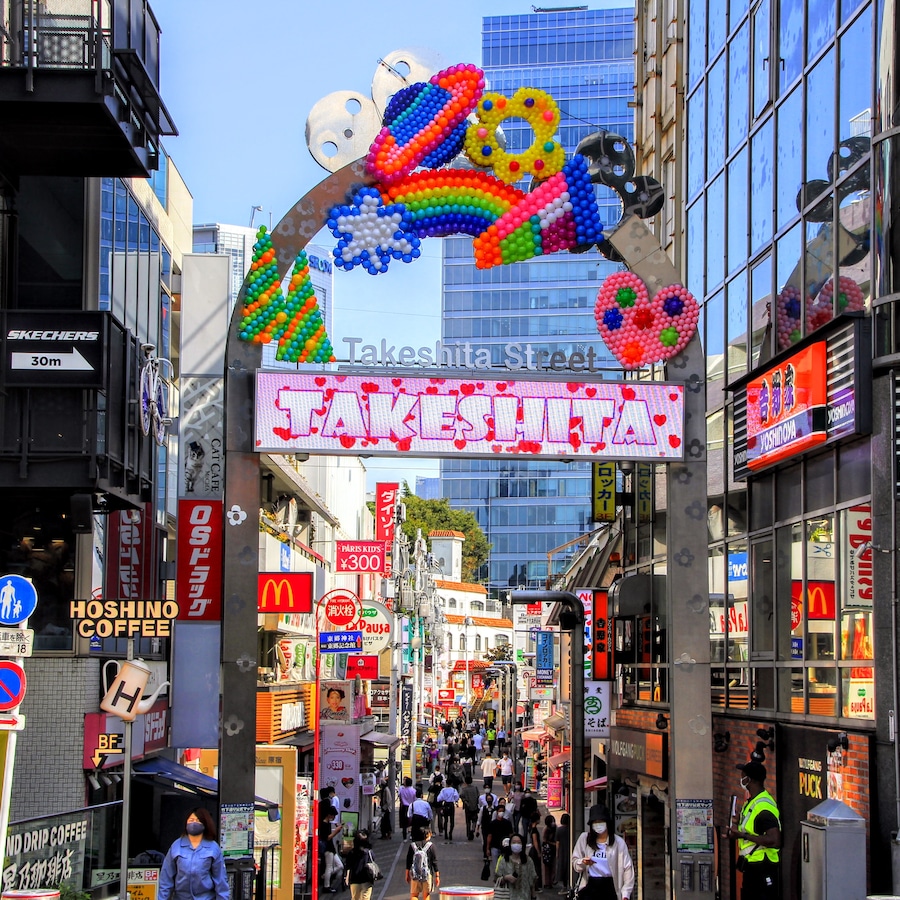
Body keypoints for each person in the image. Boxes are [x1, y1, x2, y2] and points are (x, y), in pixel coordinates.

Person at [724, 761, 782, 899]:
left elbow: (775, 840)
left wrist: (743, 835)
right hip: (751, 866)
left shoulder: (763, 807)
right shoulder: (752, 802)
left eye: (743, 775)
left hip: (763, 867)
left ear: (749, 779)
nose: (741, 778)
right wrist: (736, 832)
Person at [158, 808, 229, 900]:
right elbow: (166, 878)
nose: (194, 823)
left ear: (205, 823)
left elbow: (221, 881)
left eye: (198, 821)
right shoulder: (176, 846)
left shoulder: (213, 848)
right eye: (191, 820)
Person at [572, 805, 634, 900]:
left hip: (610, 887)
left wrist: (626, 894)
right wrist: (583, 862)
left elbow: (627, 868)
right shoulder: (584, 839)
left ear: (607, 823)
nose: (598, 825)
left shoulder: (618, 842)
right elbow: (575, 863)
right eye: (595, 822)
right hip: (590, 886)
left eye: (601, 821)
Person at [496, 832, 538, 900]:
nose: (516, 844)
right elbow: (497, 879)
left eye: (519, 842)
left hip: (525, 896)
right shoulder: (504, 860)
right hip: (508, 897)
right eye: (514, 842)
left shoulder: (528, 861)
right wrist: (506, 878)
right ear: (510, 844)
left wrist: (533, 896)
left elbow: (532, 881)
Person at [406, 827, 440, 900]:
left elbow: (408, 861)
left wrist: (407, 874)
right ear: (427, 835)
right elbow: (434, 862)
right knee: (426, 895)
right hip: (427, 874)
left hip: (415, 874)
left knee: (414, 895)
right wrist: (437, 876)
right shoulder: (431, 846)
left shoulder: (412, 845)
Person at [343, 829, 377, 900]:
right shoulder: (369, 852)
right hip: (367, 879)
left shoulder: (351, 853)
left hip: (354, 880)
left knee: (355, 898)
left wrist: (347, 877)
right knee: (365, 898)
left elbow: (348, 866)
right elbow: (373, 860)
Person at [319, 807, 345, 893]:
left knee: (340, 865)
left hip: (331, 848)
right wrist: (336, 831)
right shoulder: (324, 824)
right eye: (333, 815)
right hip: (327, 848)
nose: (334, 817)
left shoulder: (327, 824)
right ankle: (326, 886)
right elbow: (328, 837)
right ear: (329, 815)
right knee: (329, 867)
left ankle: (325, 876)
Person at [487, 798, 514, 867]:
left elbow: (511, 834)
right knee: (496, 865)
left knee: (504, 864)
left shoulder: (507, 823)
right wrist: (487, 848)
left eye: (503, 811)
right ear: (497, 812)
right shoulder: (493, 823)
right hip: (494, 846)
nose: (501, 812)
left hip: (505, 846)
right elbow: (489, 836)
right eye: (500, 811)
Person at [460, 776, 481, 841]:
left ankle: (469, 833)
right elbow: (478, 796)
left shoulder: (464, 789)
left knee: (468, 821)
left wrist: (465, 801)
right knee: (474, 820)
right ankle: (473, 829)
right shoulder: (475, 788)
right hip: (475, 806)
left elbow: (461, 795)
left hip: (468, 806)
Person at [527, 811, 543, 889]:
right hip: (534, 851)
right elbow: (535, 842)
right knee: (536, 868)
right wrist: (538, 852)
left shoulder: (530, 828)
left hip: (532, 850)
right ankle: (536, 885)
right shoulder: (534, 830)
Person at [555, 813, 571, 895]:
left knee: (562, 868)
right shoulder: (571, 829)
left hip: (562, 851)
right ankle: (571, 885)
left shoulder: (559, 830)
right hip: (570, 850)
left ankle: (564, 886)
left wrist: (557, 853)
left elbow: (557, 843)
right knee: (569, 867)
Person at [542, 815, 558, 890]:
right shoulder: (546, 829)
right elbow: (544, 840)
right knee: (547, 866)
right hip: (547, 850)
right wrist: (552, 843)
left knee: (552, 866)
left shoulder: (555, 828)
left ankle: (551, 881)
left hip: (552, 849)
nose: (553, 823)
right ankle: (547, 883)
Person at [399, 776, 417, 840]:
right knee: (412, 822)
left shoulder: (402, 791)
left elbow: (400, 799)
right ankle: (412, 835)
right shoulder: (414, 791)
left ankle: (404, 838)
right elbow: (415, 799)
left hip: (404, 807)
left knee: (404, 823)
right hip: (412, 806)